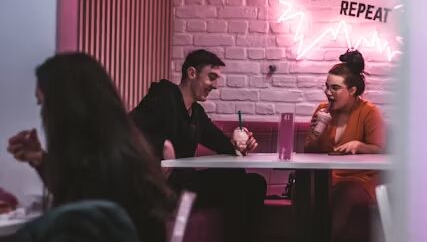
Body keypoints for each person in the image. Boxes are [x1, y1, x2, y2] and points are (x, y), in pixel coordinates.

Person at [6, 53, 174, 242]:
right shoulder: (123, 157)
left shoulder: (99, 173)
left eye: (43, 104)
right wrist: (39, 158)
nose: (42, 115)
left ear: (65, 109)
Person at [130, 49, 266, 241]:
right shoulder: (164, 96)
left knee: (251, 181)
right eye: (211, 77)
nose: (215, 86)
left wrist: (241, 145)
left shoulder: (196, 114)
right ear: (192, 73)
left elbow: (224, 145)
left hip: (186, 184)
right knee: (242, 183)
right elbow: (128, 129)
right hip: (165, 187)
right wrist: (162, 144)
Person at [304, 49, 386, 242]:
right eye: (326, 87)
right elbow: (308, 151)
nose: (328, 93)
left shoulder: (369, 112)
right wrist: (316, 133)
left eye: (335, 88)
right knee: (303, 189)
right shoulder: (322, 111)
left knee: (344, 192)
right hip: (326, 177)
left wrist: (360, 146)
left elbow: (380, 151)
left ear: (352, 90)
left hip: (359, 180)